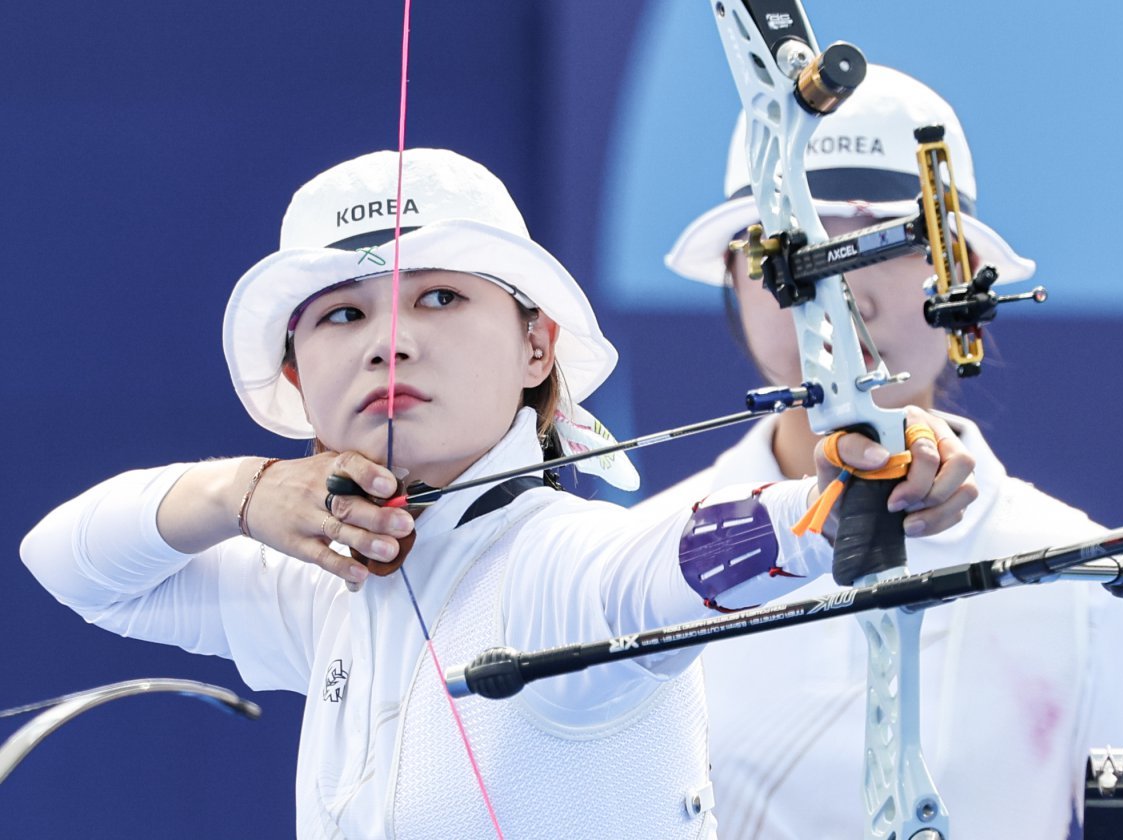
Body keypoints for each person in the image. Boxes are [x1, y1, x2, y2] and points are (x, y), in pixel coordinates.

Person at [19, 148, 974, 838]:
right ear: (300, 376)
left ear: (535, 346)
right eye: (343, 313)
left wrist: (843, 499)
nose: (390, 340)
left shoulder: (561, 562)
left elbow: (676, 559)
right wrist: (246, 492)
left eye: (439, 297)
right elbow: (66, 562)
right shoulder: (323, 585)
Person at [644, 66, 1123, 839]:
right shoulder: (640, 563)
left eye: (893, 244)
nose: (843, 291)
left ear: (963, 279)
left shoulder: (1095, 582)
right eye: (796, 248)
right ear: (737, 278)